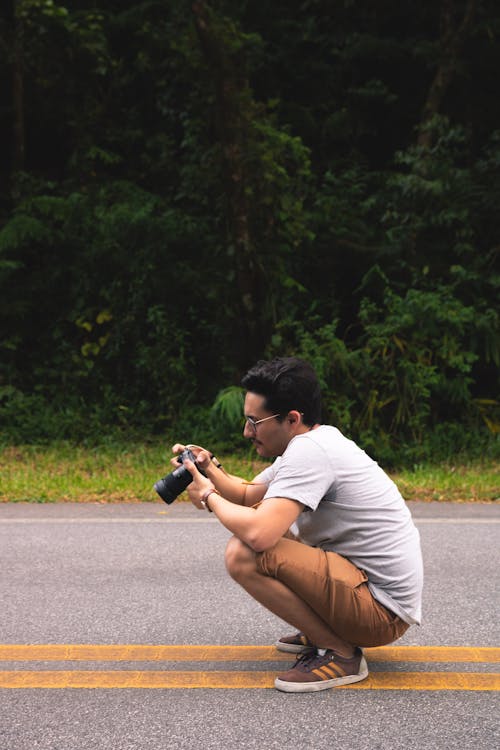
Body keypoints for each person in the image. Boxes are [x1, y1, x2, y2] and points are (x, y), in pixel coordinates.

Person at [174, 356, 423, 693]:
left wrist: (208, 497)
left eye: (254, 421)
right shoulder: (313, 442)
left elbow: (259, 534)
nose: (247, 432)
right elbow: (249, 495)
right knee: (274, 522)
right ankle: (327, 626)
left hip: (380, 613)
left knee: (243, 553)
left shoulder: (311, 453)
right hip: (369, 593)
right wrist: (209, 469)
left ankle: (339, 652)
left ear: (292, 418)